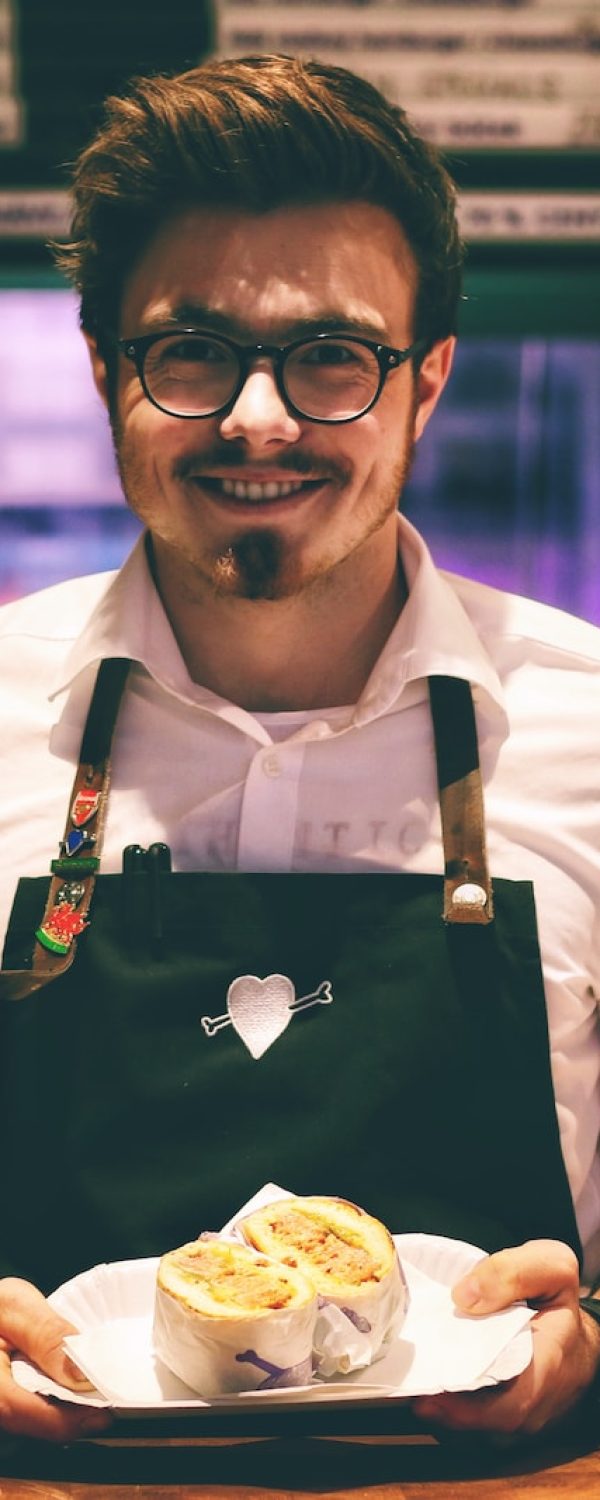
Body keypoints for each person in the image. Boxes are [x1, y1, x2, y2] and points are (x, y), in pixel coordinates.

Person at [0, 52, 599, 1446]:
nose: (259, 416)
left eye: (330, 354)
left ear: (427, 380)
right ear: (104, 371)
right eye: (192, 349)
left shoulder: (586, 725)